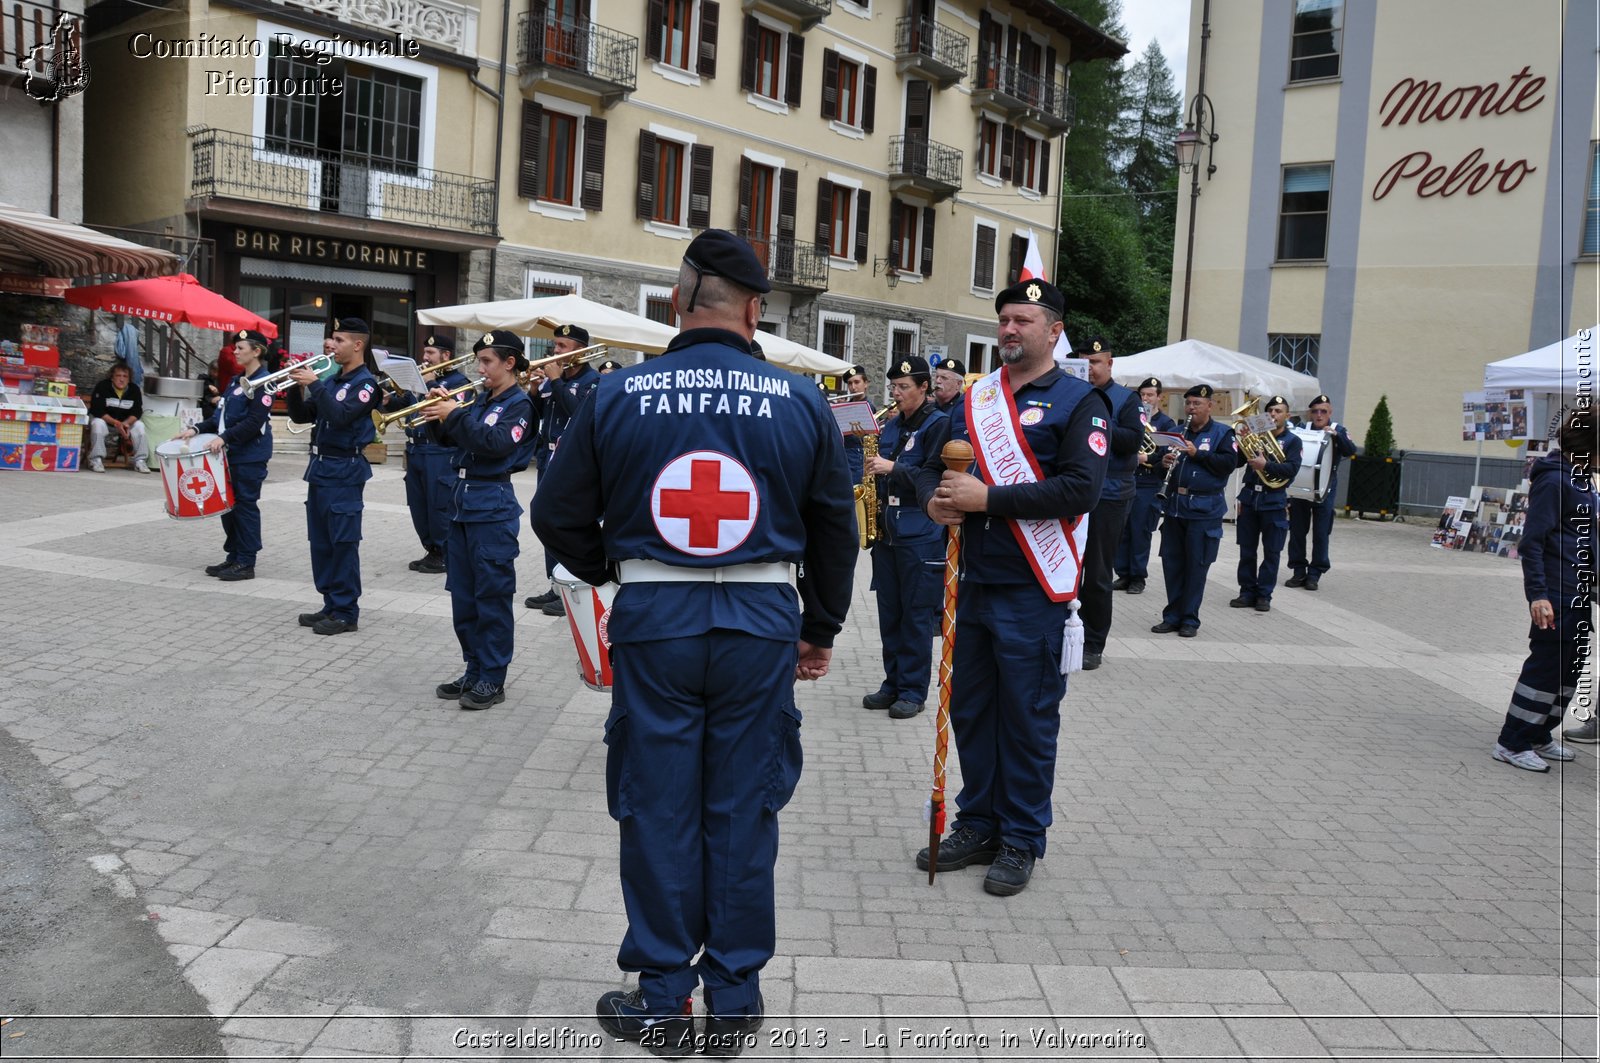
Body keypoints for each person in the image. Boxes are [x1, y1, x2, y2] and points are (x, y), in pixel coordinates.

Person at [530, 229, 855, 1057]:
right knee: (744, 807)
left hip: (655, 620)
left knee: (657, 804)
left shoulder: (618, 393)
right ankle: (736, 1000)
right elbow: (833, 528)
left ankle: (666, 998)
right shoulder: (801, 399)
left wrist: (618, 569)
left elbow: (556, 513)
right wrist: (819, 627)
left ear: (677, 300)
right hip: (760, 624)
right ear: (754, 308)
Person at [914, 278, 1109, 897]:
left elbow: (1082, 488)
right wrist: (933, 503)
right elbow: (924, 467)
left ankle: (1022, 836)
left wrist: (989, 498)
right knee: (972, 711)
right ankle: (979, 821)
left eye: (1024, 320)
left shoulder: (1080, 403)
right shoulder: (976, 400)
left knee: (1026, 719)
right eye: (1004, 319)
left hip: (1034, 590)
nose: (1009, 329)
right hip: (972, 582)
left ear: (1054, 331)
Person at [417, 331, 534, 711]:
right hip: (462, 503)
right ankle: (473, 668)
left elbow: (496, 443)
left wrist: (457, 413)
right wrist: (438, 414)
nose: (480, 369)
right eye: (479, 361)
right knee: (464, 598)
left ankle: (493, 679)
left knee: (492, 597)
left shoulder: (520, 405)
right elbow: (453, 442)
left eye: (486, 362)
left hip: (492, 505)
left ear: (509, 363)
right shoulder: (482, 399)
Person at [1494, 409, 1596, 768]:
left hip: (1579, 593)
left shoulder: (1581, 477)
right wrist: (1538, 595)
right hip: (1557, 593)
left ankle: (1539, 733)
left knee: (1568, 671)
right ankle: (1512, 741)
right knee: (1545, 670)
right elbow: (1532, 543)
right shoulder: (1555, 481)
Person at [862, 355, 949, 719]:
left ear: (924, 388)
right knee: (890, 614)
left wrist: (893, 467)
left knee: (915, 617)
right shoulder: (893, 425)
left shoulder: (939, 425)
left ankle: (913, 690)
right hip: (888, 533)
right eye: (894, 387)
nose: (896, 394)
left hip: (920, 534)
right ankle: (892, 683)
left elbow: (938, 476)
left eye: (904, 388)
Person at [286, 317, 381, 636]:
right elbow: (302, 416)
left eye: (339, 340)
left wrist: (313, 383)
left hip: (345, 470)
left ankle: (346, 611)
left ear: (357, 345)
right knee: (322, 541)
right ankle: (330, 603)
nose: (332, 345)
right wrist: (295, 387)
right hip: (321, 470)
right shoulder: (332, 381)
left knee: (343, 541)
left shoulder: (366, 385)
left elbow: (340, 417)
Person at [178, 330, 274, 582]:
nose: (235, 351)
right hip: (229, 454)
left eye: (241, 347)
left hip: (250, 454)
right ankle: (233, 556)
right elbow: (219, 417)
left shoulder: (264, 381)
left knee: (244, 506)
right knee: (228, 506)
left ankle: (246, 561)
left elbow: (255, 421)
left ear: (257, 351)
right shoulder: (235, 381)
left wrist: (225, 437)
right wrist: (195, 429)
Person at [523, 323, 599, 618]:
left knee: (566, 523)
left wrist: (556, 382)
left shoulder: (593, 381)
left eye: (561, 347)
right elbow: (534, 416)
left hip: (572, 461)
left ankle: (571, 588)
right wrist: (532, 390)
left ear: (579, 350)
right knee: (546, 520)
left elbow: (579, 415)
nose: (554, 352)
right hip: (547, 457)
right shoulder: (553, 380)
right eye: (554, 346)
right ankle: (555, 585)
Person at [1076, 338, 1142, 670]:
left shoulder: (1126, 399)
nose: (1089, 368)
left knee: (1098, 574)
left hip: (1110, 495)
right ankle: (1065, 635)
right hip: (1072, 493)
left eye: (1095, 362)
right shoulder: (1071, 393)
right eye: (1084, 362)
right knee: (1066, 570)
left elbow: (1132, 440)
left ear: (1110, 364)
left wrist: (1096, 423)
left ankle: (1093, 642)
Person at [1152, 385, 1236, 638]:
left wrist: (1197, 453)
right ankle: (1172, 616)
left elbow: (1228, 465)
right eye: (1188, 403)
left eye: (1197, 403)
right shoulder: (1176, 432)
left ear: (1209, 405)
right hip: (1176, 507)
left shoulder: (1223, 433)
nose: (1191, 408)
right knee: (1173, 563)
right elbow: (1159, 465)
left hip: (1204, 510)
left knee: (1196, 567)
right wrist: (1162, 462)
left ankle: (1190, 618)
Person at [393, 334, 468, 574]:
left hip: (439, 451)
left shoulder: (458, 382)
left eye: (431, 354)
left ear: (446, 356)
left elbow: (448, 418)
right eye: (424, 353)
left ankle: (445, 552)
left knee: (439, 503)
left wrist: (430, 385)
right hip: (416, 449)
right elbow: (397, 407)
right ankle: (432, 549)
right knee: (419, 503)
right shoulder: (420, 380)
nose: (424, 358)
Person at [1229, 395, 1303, 613]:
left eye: (1278, 411)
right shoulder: (1257, 435)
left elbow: (1291, 470)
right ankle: (1246, 592)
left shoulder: (1292, 441)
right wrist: (1242, 444)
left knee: (1271, 552)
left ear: (1287, 416)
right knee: (1247, 550)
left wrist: (1266, 465)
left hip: (1274, 500)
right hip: (1250, 498)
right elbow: (1237, 463)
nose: (1273, 414)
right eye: (1270, 410)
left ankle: (1264, 595)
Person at [1286, 394, 1359, 591]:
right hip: (1301, 486)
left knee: (1321, 532)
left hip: (1325, 487)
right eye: (1315, 411)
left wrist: (1338, 437)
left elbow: (1351, 451)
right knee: (1297, 531)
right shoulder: (1302, 429)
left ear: (1330, 413)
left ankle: (1315, 573)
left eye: (1323, 411)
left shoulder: (1338, 429)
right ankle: (1298, 570)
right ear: (1310, 413)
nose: (1319, 415)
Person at [1114, 377, 1177, 595]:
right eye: (1142, 395)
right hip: (1128, 478)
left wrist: (1146, 457)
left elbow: (1165, 454)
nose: (1146, 398)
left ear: (1160, 397)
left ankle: (1138, 577)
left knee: (1140, 530)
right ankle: (1123, 573)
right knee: (1122, 529)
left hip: (1149, 481)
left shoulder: (1167, 424)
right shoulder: (1133, 417)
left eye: (1150, 395)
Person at [86, 361, 150, 474]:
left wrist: (125, 424)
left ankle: (140, 460)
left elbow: (137, 411)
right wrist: (116, 423)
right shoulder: (103, 386)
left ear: (129, 379)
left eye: (125, 376)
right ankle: (96, 459)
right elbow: (97, 410)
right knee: (97, 423)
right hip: (106, 422)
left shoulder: (134, 390)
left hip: (125, 424)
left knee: (140, 425)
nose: (122, 379)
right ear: (112, 377)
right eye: (118, 376)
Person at [840, 365, 873, 484]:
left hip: (859, 459)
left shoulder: (869, 408)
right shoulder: (844, 407)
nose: (853, 387)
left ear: (865, 384)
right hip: (844, 457)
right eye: (849, 383)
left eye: (857, 382)